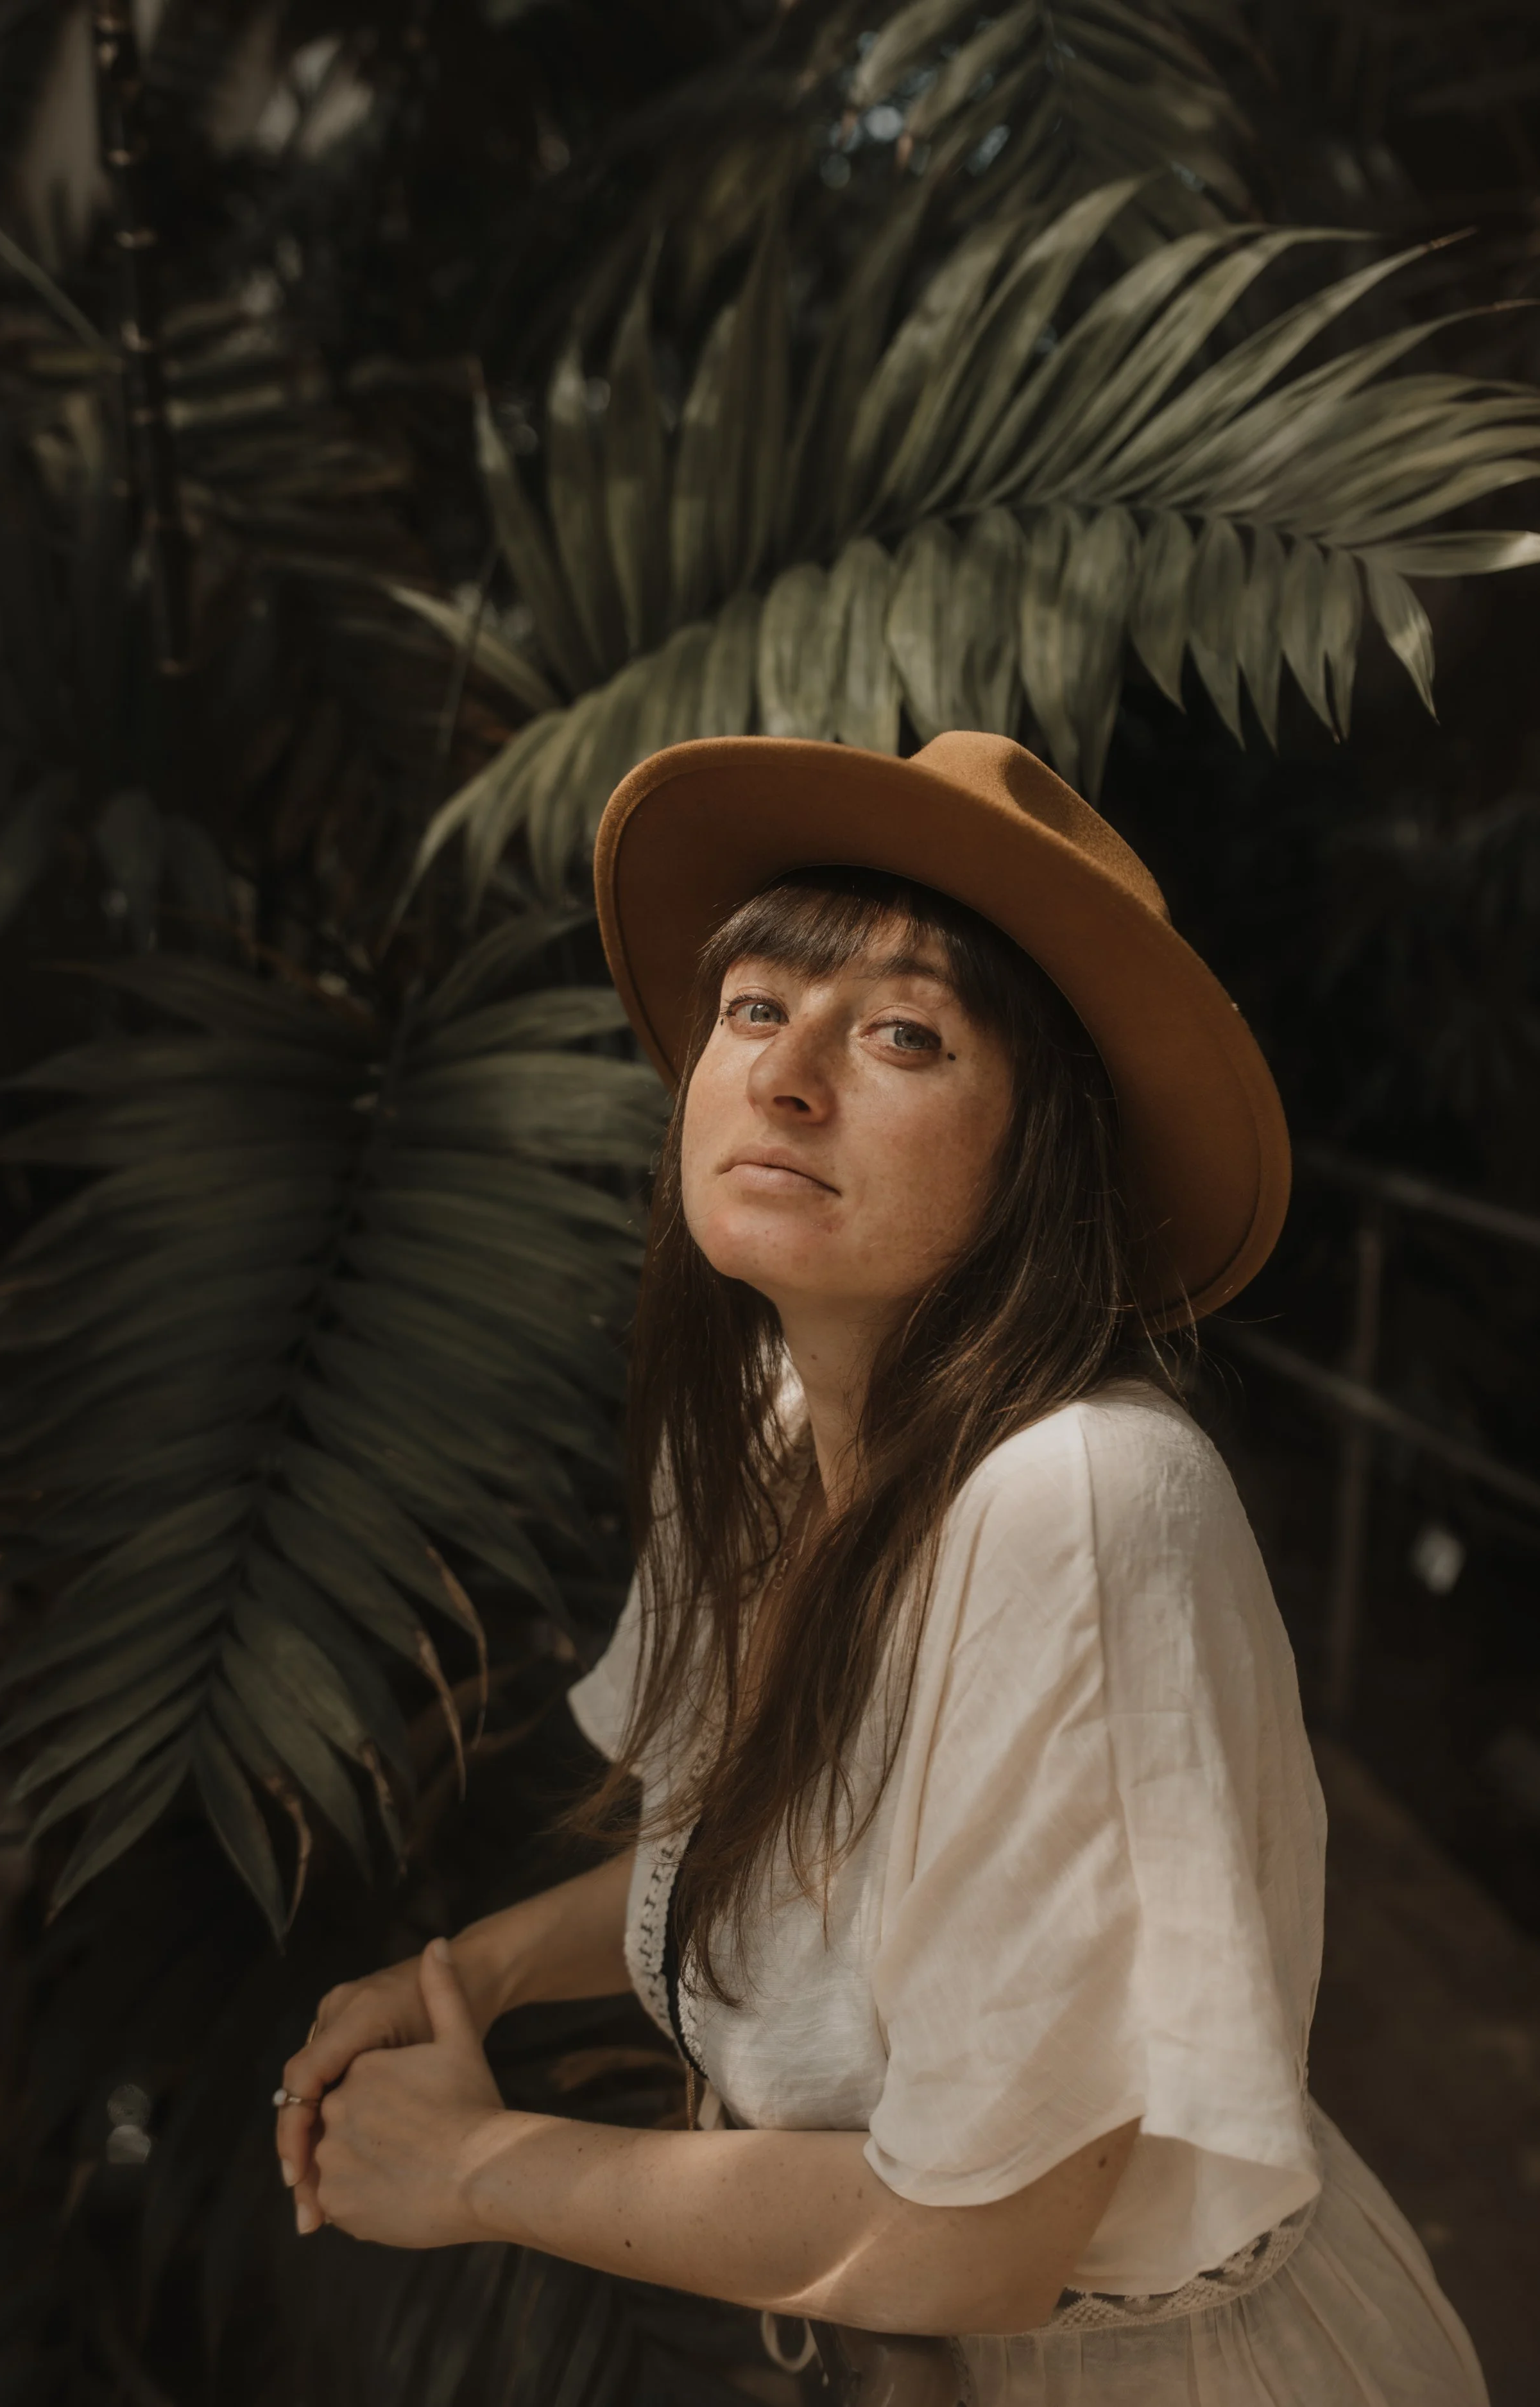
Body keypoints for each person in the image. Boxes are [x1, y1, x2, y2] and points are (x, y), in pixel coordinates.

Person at [275, 732, 1487, 2405]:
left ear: (1042, 1153)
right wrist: (469, 1974)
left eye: (903, 1033)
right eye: (755, 1005)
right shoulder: (773, 1424)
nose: (784, 1072)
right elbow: (764, 1868)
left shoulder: (1076, 1496)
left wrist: (476, 2167)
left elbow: (978, 2232)